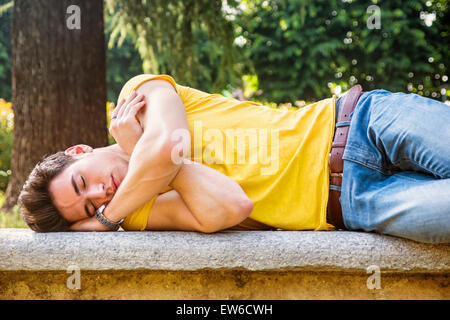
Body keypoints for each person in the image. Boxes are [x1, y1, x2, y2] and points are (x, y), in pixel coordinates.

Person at [18, 74, 450, 244]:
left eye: (82, 183)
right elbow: (232, 205)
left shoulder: (137, 97)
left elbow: (169, 144)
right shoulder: (139, 211)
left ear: (79, 153)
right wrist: (151, 166)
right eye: (91, 207)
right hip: (353, 203)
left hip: (363, 122)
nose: (101, 193)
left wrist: (107, 215)